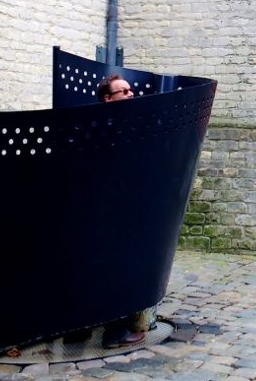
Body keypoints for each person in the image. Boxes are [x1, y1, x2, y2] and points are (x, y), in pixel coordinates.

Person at [94, 74, 152, 348]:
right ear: (108, 98)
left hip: (121, 208)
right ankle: (115, 333)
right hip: (112, 210)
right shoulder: (106, 125)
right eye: (123, 91)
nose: (130, 94)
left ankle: (120, 326)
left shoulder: (124, 123)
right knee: (117, 268)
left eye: (131, 90)